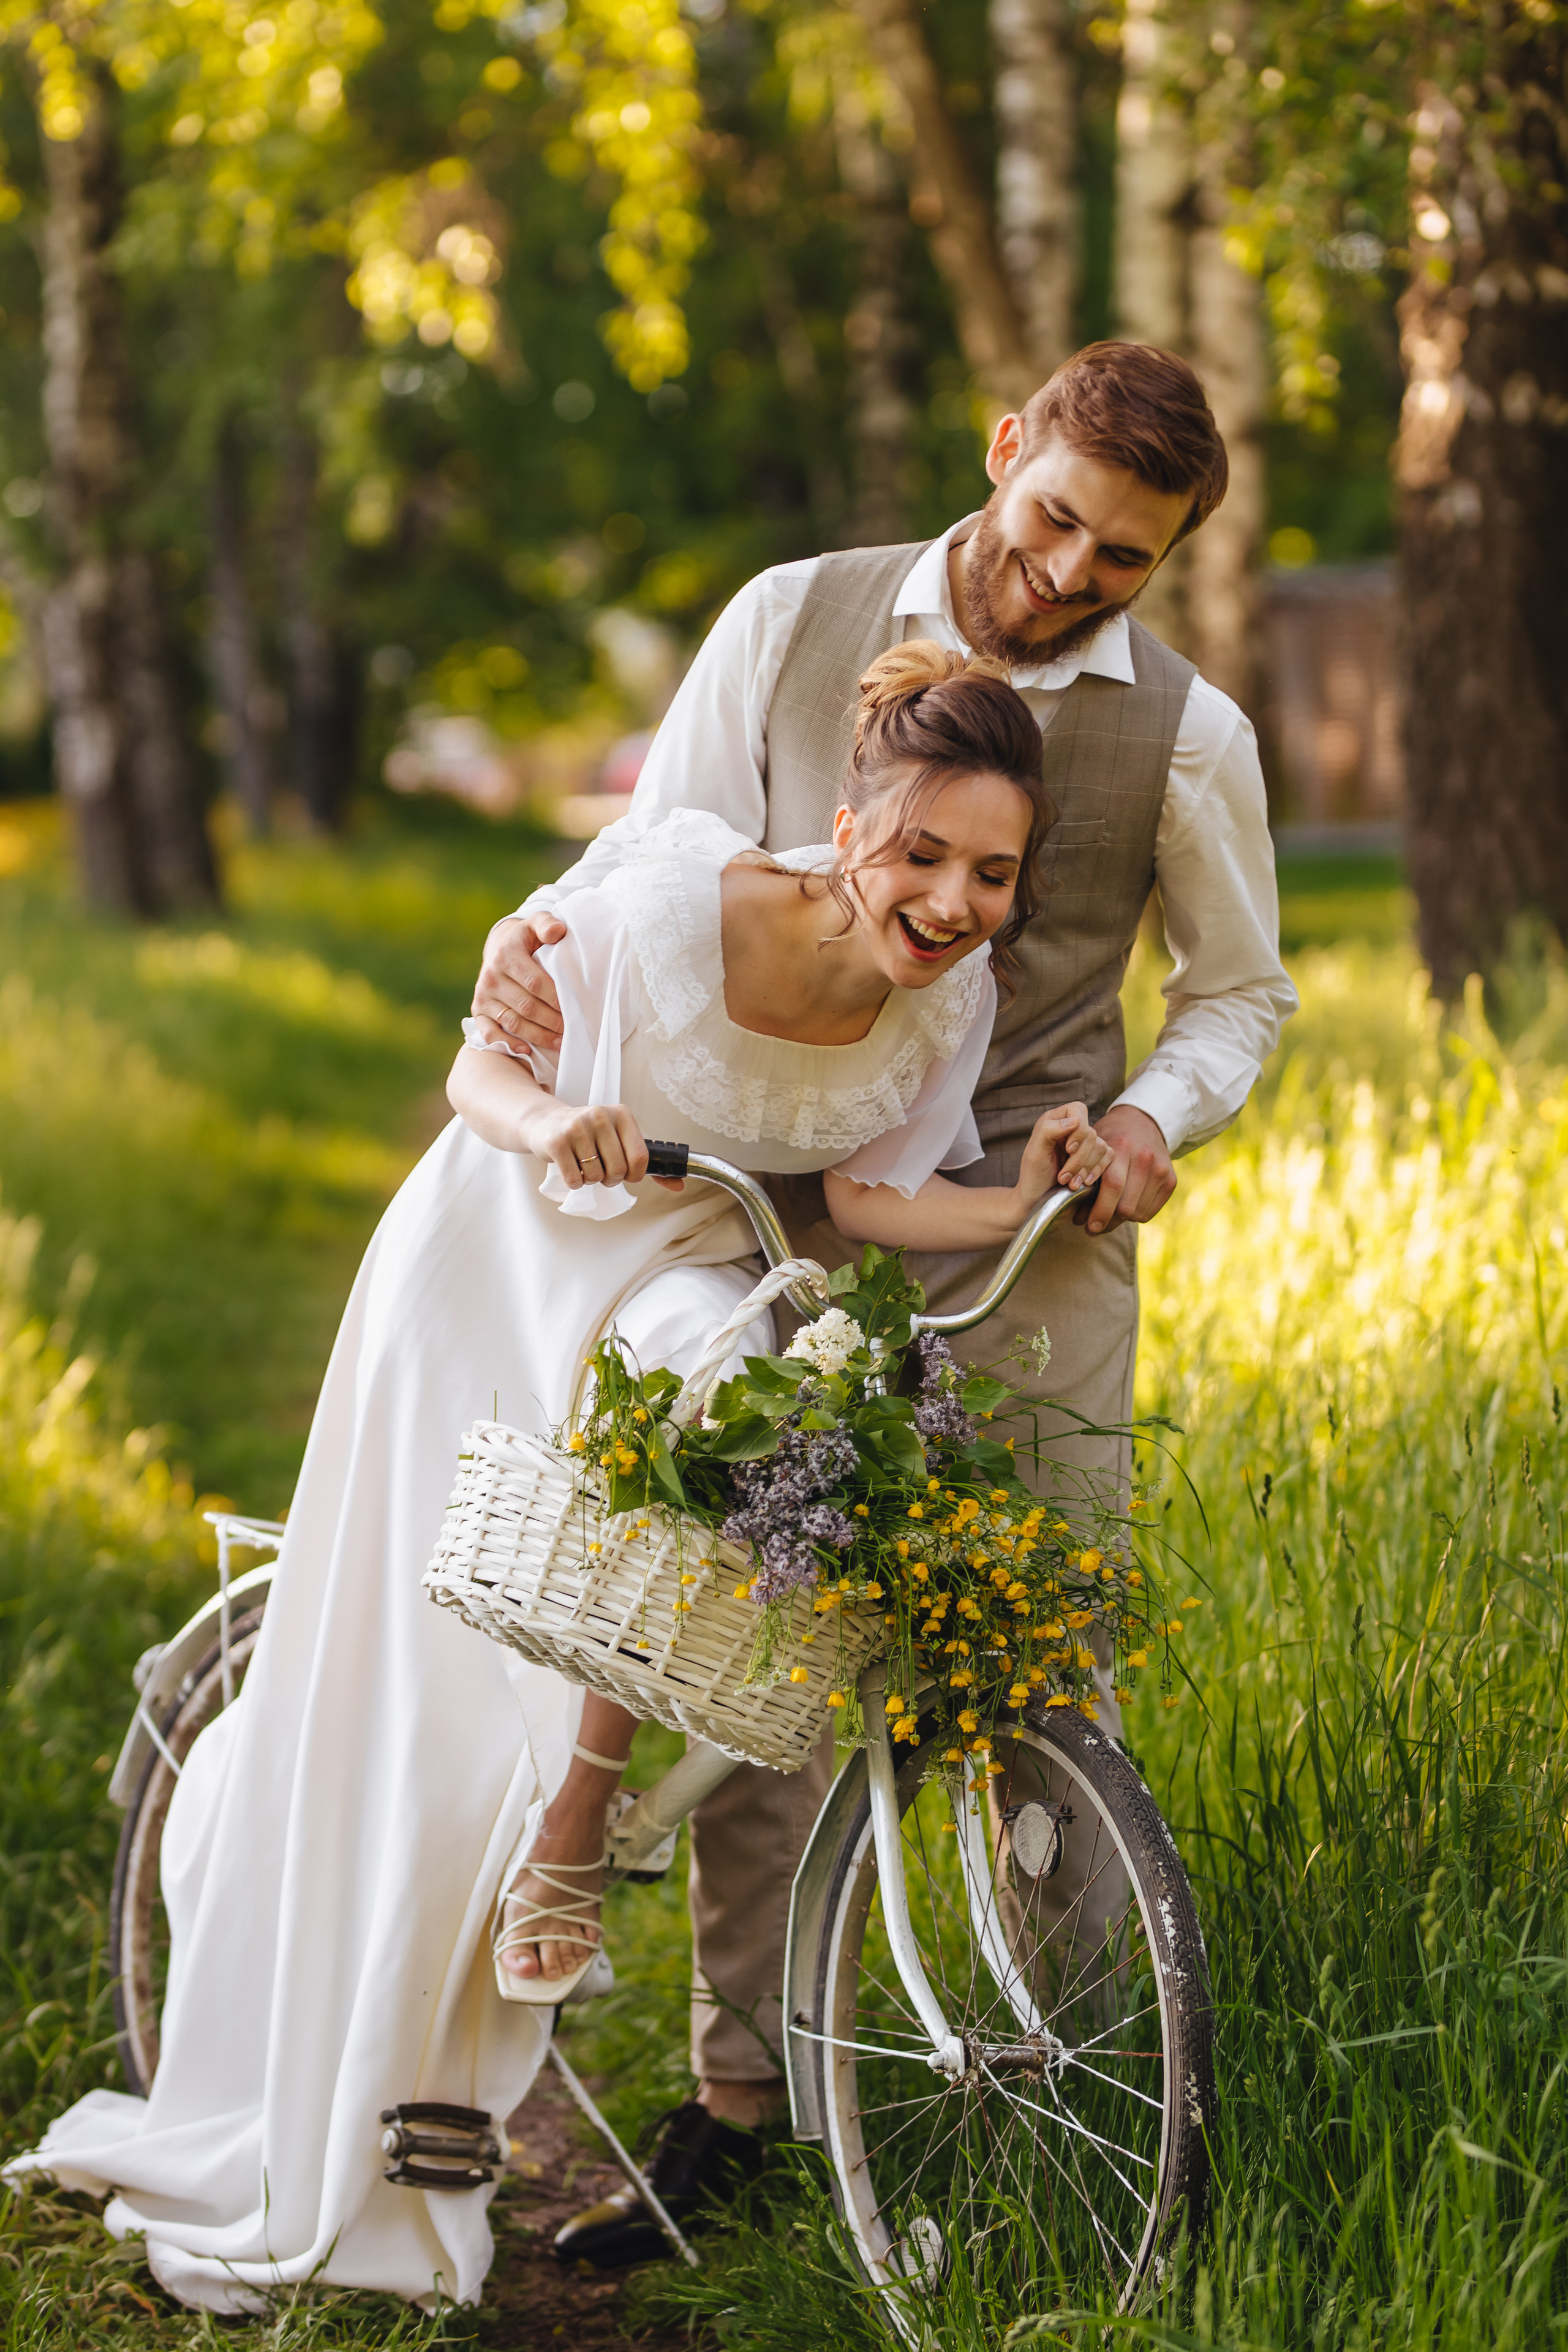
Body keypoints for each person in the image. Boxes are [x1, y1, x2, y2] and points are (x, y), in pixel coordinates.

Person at [5, 644, 1114, 2313]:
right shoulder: (671, 894)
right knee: (436, 1674)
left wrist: (1039, 1193)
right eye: (922, 857)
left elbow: (880, 1202)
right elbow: (477, 1069)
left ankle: (564, 1822)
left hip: (682, 1263)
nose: (953, 903)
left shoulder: (949, 999)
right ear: (843, 826)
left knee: (743, 1391)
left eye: (992, 873)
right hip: (508, 1245)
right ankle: (550, 1846)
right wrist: (548, 1126)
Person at [467, 340, 1298, 2263]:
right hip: (771, 1203)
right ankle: (747, 2100)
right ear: (1002, 452)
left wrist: (1157, 1122)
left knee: (1038, 1655)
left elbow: (1237, 992)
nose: (1070, 576)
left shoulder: (1187, 734)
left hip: (1026, 1234)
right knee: (767, 1647)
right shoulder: (790, 619)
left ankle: (1078, 2069)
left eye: (1123, 560)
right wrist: (530, 991)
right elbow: (644, 868)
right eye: (1054, 521)